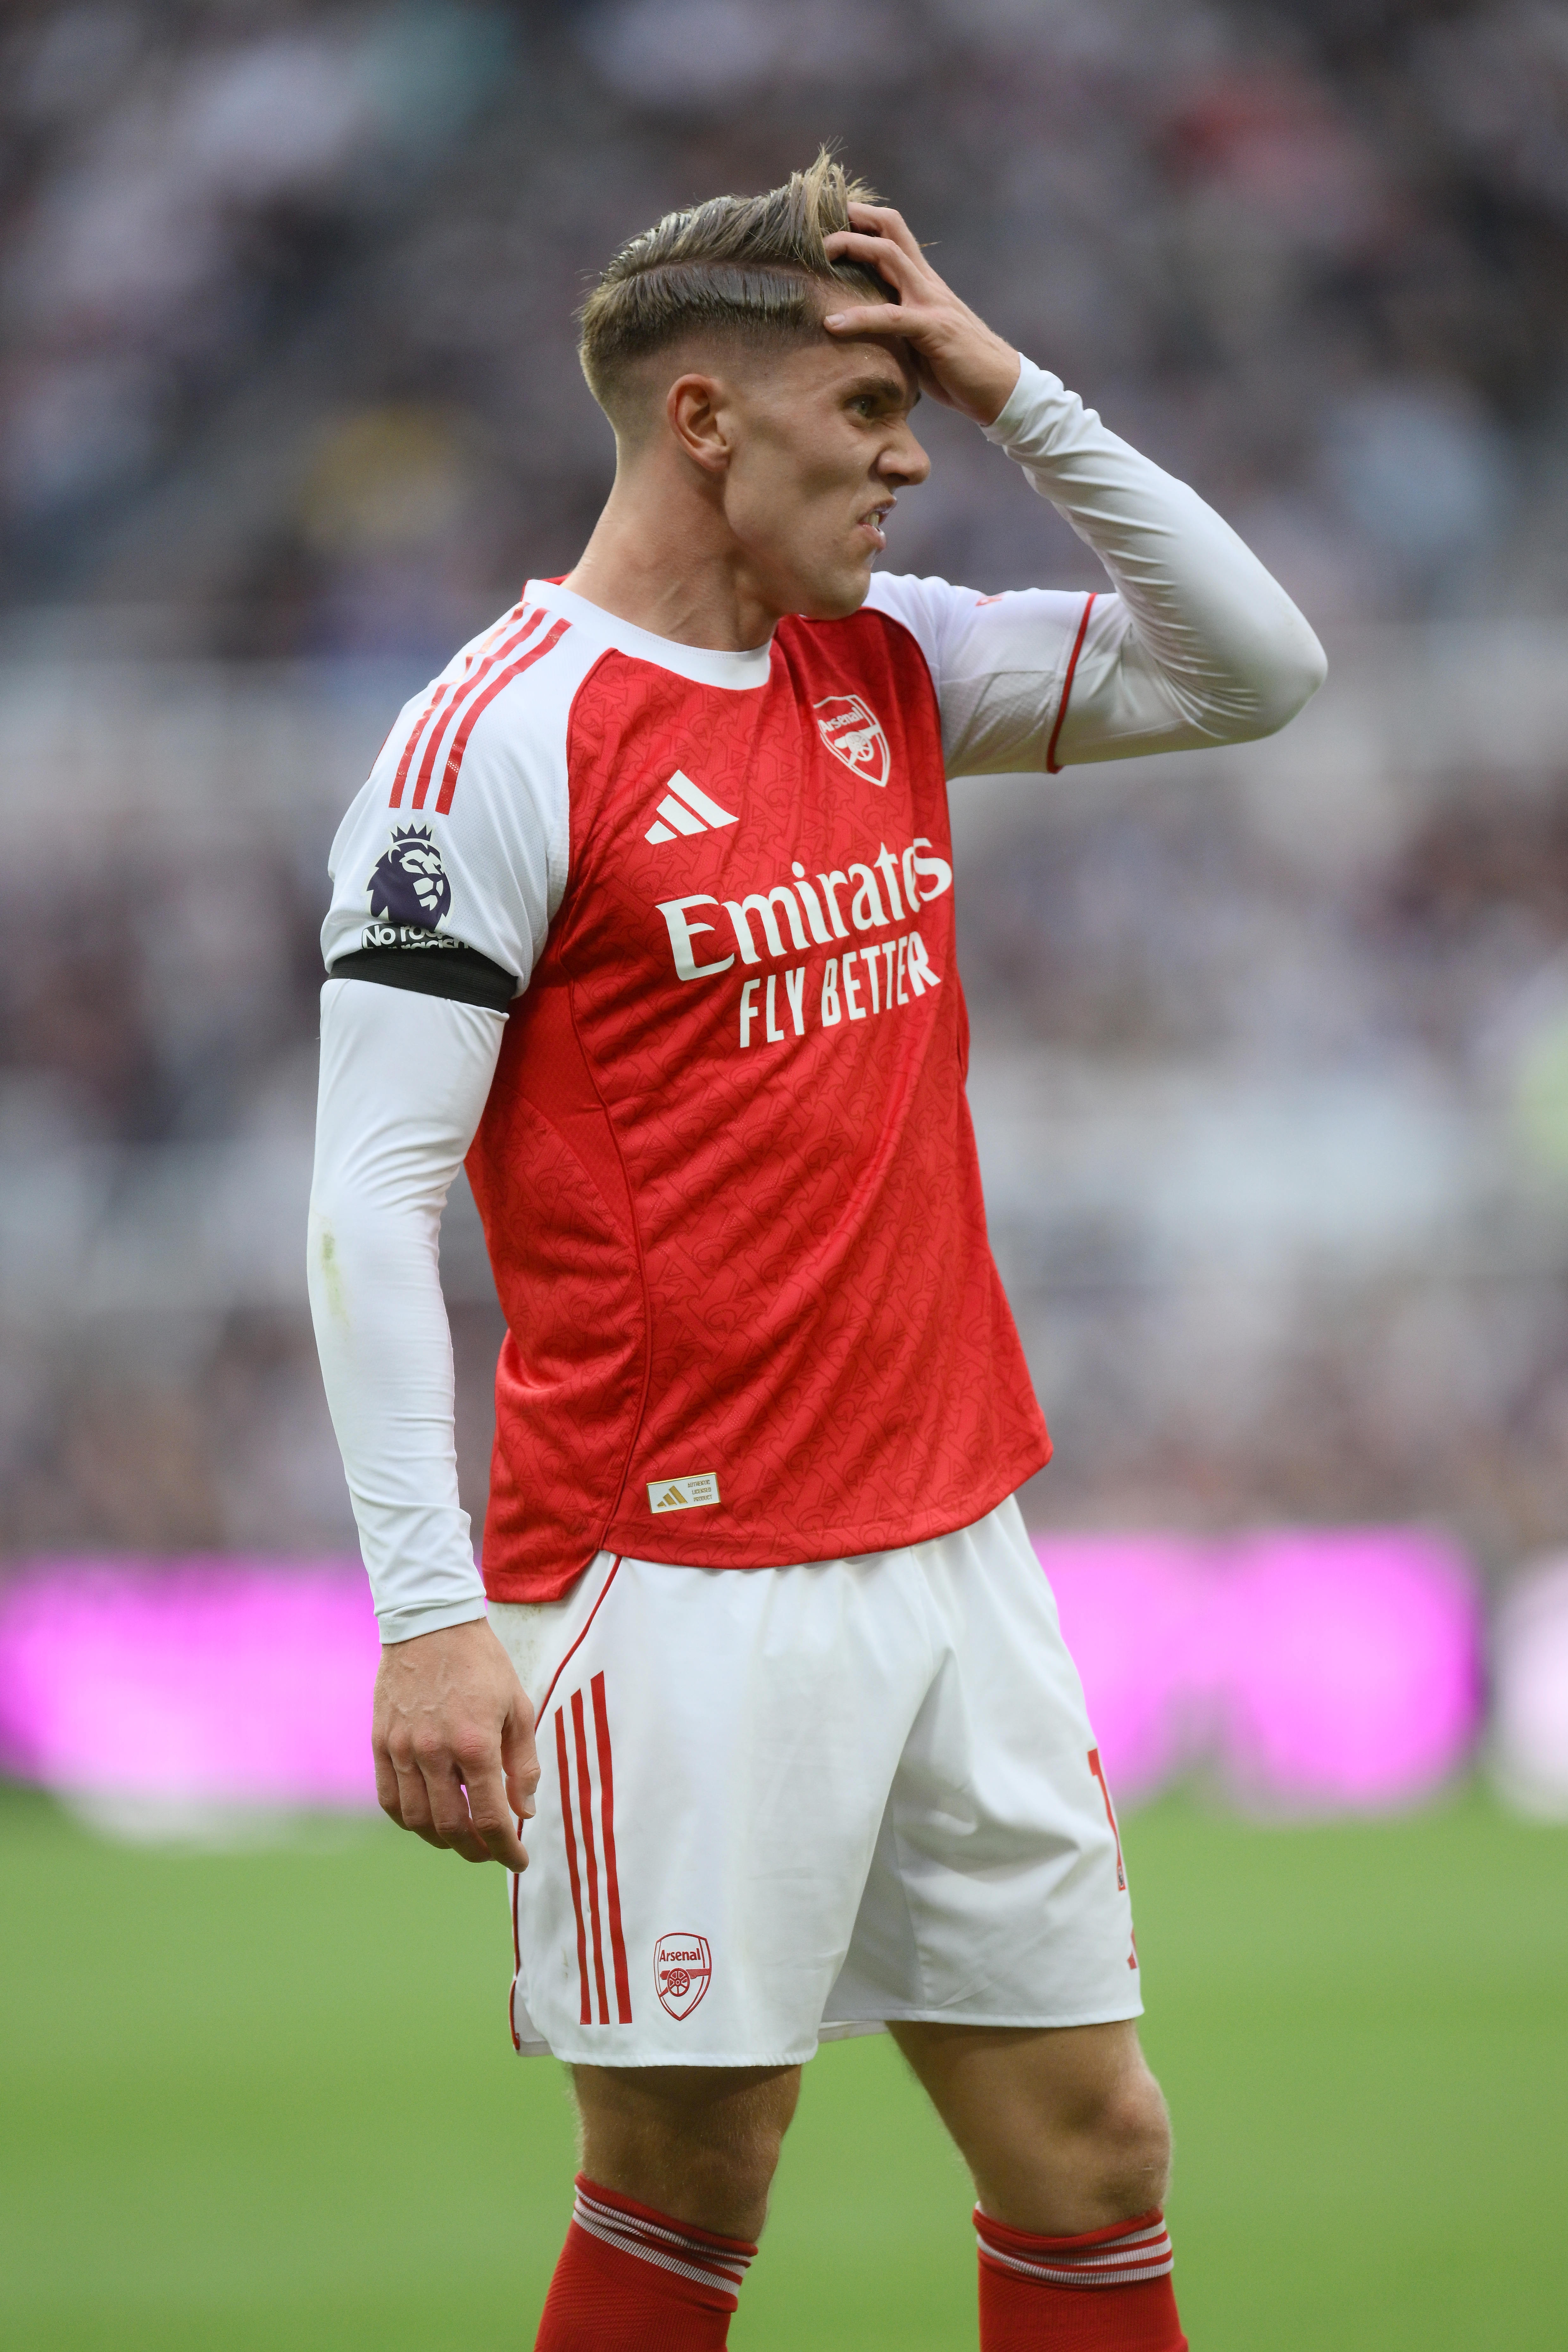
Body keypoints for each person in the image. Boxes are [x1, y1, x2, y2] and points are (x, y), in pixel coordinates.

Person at [308, 152, 1324, 2351]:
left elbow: (1261, 667)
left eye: (917, 416)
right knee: (691, 2175)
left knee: (1096, 2153)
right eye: (868, 412)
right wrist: (424, 1616)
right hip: (673, 1579)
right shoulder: (486, 743)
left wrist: (1016, 385)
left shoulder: (885, 662)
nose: (903, 457)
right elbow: (370, 1192)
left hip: (957, 1542)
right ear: (703, 421)